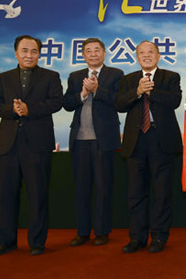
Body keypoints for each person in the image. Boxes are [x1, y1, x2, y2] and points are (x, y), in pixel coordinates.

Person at [0, 35, 63, 256]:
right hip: (8, 145)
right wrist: (13, 111)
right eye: (24, 50)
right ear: (16, 53)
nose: (29, 55)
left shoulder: (51, 76)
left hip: (37, 144)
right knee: (7, 195)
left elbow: (56, 102)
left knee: (38, 195)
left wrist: (30, 109)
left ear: (39, 54)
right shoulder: (3, 78)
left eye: (33, 51)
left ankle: (37, 242)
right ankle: (6, 241)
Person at [115, 40, 183, 253]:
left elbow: (174, 101)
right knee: (136, 193)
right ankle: (137, 238)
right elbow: (119, 104)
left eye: (150, 52)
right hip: (136, 142)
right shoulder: (128, 80)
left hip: (161, 140)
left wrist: (150, 92)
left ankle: (159, 237)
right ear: (136, 57)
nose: (146, 56)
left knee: (162, 193)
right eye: (141, 53)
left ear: (158, 55)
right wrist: (137, 91)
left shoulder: (170, 77)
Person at [63, 38, 124, 247]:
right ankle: (82, 232)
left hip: (103, 139)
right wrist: (83, 93)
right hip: (79, 139)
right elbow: (67, 104)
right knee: (81, 188)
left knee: (103, 187)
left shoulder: (115, 74)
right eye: (88, 51)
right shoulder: (75, 76)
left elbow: (119, 101)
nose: (93, 54)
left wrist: (97, 90)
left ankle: (101, 231)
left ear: (104, 53)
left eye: (97, 50)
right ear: (83, 55)